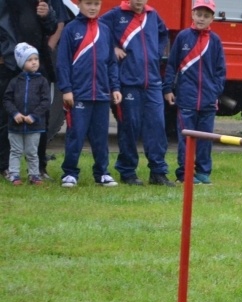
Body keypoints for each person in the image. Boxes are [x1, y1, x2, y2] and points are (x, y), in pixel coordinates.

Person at [100, 0, 172, 186]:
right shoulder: (115, 15)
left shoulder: (152, 15)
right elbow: (96, 31)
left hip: (153, 82)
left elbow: (163, 34)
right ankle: (127, 172)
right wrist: (112, 48)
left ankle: (158, 172)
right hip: (128, 83)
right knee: (129, 128)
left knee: (157, 127)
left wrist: (155, 53)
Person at [55, 0, 122, 187]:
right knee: (75, 135)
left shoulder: (105, 30)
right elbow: (63, 62)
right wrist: (67, 89)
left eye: (96, 4)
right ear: (80, 4)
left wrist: (115, 87)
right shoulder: (70, 29)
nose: (92, 7)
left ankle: (102, 173)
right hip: (78, 94)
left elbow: (111, 63)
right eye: (88, 3)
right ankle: (69, 173)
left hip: (101, 94)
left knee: (101, 137)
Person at [163, 0, 226, 185]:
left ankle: (203, 172)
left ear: (212, 18)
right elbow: (172, 65)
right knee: (186, 139)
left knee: (205, 139)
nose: (201, 19)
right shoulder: (183, 37)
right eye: (199, 15)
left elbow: (221, 71)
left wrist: (215, 91)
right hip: (186, 99)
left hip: (208, 101)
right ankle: (184, 173)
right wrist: (168, 88)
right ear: (192, 14)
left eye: (206, 16)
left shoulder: (215, 41)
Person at [0, 0, 57, 181]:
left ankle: (39, 168)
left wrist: (47, 15)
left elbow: (51, 27)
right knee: (6, 118)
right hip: (9, 66)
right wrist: (6, 56)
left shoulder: (41, 1)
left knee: (41, 117)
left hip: (37, 67)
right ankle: (6, 167)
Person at [3, 42, 50, 185]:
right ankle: (14, 174)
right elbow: (7, 100)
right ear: (22, 63)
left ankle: (34, 174)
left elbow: (45, 101)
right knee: (15, 151)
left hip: (34, 125)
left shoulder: (42, 81)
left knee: (32, 151)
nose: (34, 62)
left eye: (36, 59)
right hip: (15, 125)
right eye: (29, 60)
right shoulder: (15, 81)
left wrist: (33, 116)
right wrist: (15, 113)